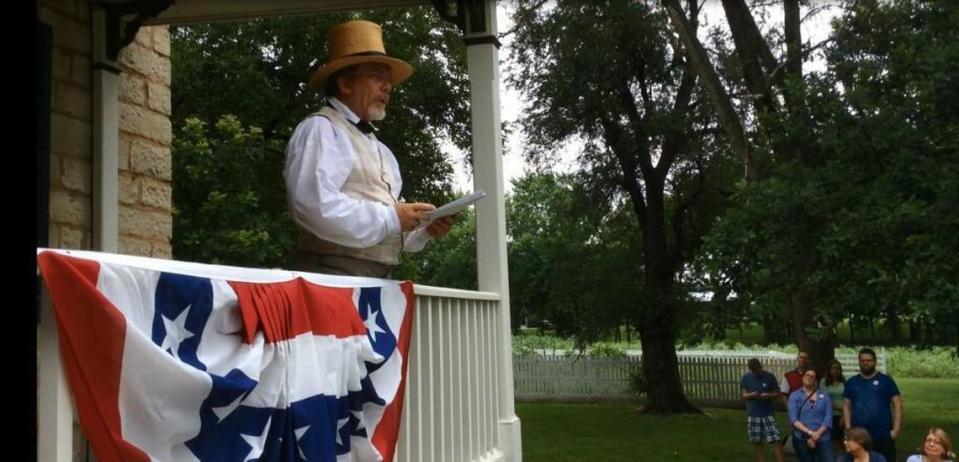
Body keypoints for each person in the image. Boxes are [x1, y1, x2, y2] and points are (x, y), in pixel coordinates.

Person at [284, 19, 456, 278]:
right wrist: (392, 217)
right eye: (377, 77)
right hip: (331, 278)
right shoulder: (321, 129)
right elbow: (314, 207)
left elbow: (384, 229)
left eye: (388, 81)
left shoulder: (381, 150)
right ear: (345, 84)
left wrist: (422, 230)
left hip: (374, 282)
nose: (388, 87)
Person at [843, 348, 903, 462]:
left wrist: (896, 429)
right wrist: (848, 429)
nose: (866, 362)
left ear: (875, 361)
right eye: (863, 360)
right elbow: (846, 406)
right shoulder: (852, 382)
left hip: (883, 434)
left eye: (869, 360)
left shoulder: (886, 381)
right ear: (859, 361)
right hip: (858, 436)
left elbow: (897, 403)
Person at [741, 358, 786, 462]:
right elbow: (743, 395)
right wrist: (751, 394)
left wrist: (769, 395)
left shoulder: (769, 377)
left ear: (761, 367)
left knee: (775, 439)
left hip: (768, 413)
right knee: (758, 441)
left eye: (759, 370)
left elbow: (777, 393)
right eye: (755, 371)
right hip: (753, 413)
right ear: (751, 370)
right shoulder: (746, 378)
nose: (758, 373)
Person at [788, 368, 835, 462]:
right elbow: (794, 420)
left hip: (823, 437)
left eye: (812, 376)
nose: (809, 378)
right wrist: (811, 433)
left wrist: (817, 435)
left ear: (816, 380)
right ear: (803, 377)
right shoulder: (794, 396)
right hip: (802, 438)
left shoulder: (825, 395)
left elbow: (828, 418)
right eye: (807, 375)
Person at [821, 358, 846, 447]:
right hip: (829, 414)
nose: (835, 370)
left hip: (843, 414)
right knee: (832, 439)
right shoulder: (823, 382)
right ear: (829, 370)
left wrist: (844, 413)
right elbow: (824, 399)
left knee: (844, 438)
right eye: (833, 368)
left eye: (837, 368)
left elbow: (847, 398)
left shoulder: (844, 382)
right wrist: (840, 408)